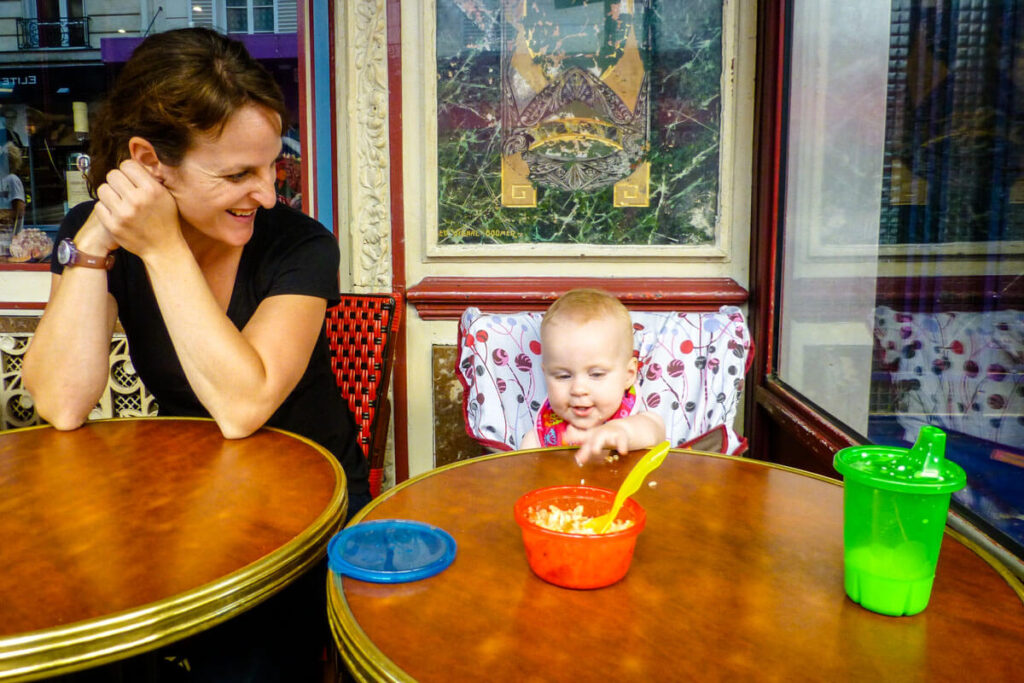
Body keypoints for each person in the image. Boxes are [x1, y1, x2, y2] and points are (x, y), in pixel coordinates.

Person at [22, 27, 366, 681]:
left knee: (242, 666)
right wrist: (94, 238)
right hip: (183, 505)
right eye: (238, 173)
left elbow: (242, 406)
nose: (267, 194)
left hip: (308, 515)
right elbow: (61, 403)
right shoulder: (94, 239)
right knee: (88, 647)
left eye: (274, 168)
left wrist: (161, 248)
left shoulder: (299, 245)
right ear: (150, 163)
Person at [520, 288, 666, 464]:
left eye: (596, 374)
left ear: (628, 375)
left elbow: (655, 431)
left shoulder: (636, 422)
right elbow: (524, 477)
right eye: (563, 376)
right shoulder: (538, 437)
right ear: (546, 375)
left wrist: (621, 431)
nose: (578, 389)